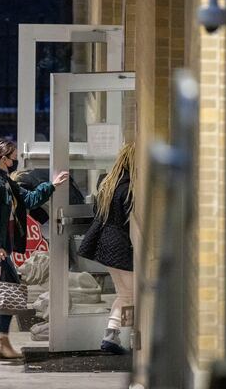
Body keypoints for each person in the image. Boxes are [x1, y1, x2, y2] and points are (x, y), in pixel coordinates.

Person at [0, 138, 69, 359]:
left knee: (3, 290)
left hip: (0, 245)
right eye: (13, 157)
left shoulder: (4, 181)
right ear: (4, 158)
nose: (15, 160)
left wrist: (51, 185)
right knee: (8, 288)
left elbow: (29, 200)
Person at [92, 143, 135, 354]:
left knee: (125, 293)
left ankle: (113, 335)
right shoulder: (128, 188)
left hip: (106, 246)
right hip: (120, 247)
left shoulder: (108, 182)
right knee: (132, 294)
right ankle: (118, 336)